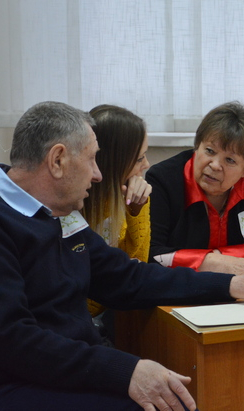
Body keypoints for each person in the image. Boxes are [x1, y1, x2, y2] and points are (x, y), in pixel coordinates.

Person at [0, 101, 244, 411]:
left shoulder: (58, 213)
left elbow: (126, 277)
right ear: (57, 160)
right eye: (92, 159)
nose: (98, 174)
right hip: (10, 385)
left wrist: (227, 285)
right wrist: (126, 371)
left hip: (66, 369)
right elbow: (13, 340)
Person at [146, 101, 244, 274]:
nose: (215, 165)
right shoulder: (164, 179)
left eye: (230, 160)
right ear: (197, 147)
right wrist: (213, 262)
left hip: (242, 285)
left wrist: (223, 257)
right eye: (209, 151)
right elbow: (152, 254)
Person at [83, 104, 152, 319]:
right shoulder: (73, 203)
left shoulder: (124, 196)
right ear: (113, 162)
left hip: (107, 315)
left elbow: (135, 268)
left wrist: (136, 210)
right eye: (139, 158)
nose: (147, 165)